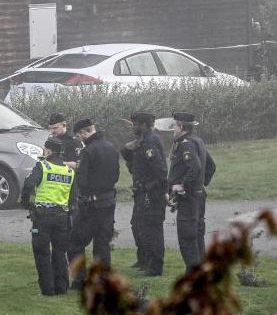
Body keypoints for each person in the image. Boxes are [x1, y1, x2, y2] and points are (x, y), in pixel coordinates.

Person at [67, 118, 120, 288]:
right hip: (109, 201)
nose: (80, 138)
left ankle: (79, 279)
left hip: (91, 205)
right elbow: (117, 175)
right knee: (102, 244)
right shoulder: (111, 147)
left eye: (80, 135)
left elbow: (82, 181)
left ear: (84, 132)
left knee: (75, 242)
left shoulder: (87, 151)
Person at [20, 136, 75, 296]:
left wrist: (26, 203)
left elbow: (29, 184)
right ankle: (62, 287)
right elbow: (73, 196)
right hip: (62, 217)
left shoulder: (42, 166)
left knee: (42, 252)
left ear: (49, 151)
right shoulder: (69, 171)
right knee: (59, 252)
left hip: (42, 217)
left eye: (44, 149)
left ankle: (48, 289)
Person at [120, 111, 167, 276]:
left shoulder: (150, 142)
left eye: (136, 124)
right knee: (138, 225)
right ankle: (144, 260)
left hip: (150, 194)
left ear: (144, 125)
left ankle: (155, 267)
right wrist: (126, 148)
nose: (133, 127)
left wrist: (148, 188)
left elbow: (161, 172)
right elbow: (130, 157)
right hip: (141, 192)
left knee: (152, 229)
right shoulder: (142, 141)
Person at [167, 111, 216, 271]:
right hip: (198, 196)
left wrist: (184, 186)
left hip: (189, 198)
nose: (173, 128)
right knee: (196, 235)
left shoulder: (186, 143)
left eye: (174, 125)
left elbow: (195, 167)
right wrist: (201, 185)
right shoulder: (198, 141)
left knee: (187, 238)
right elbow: (211, 166)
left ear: (181, 126)